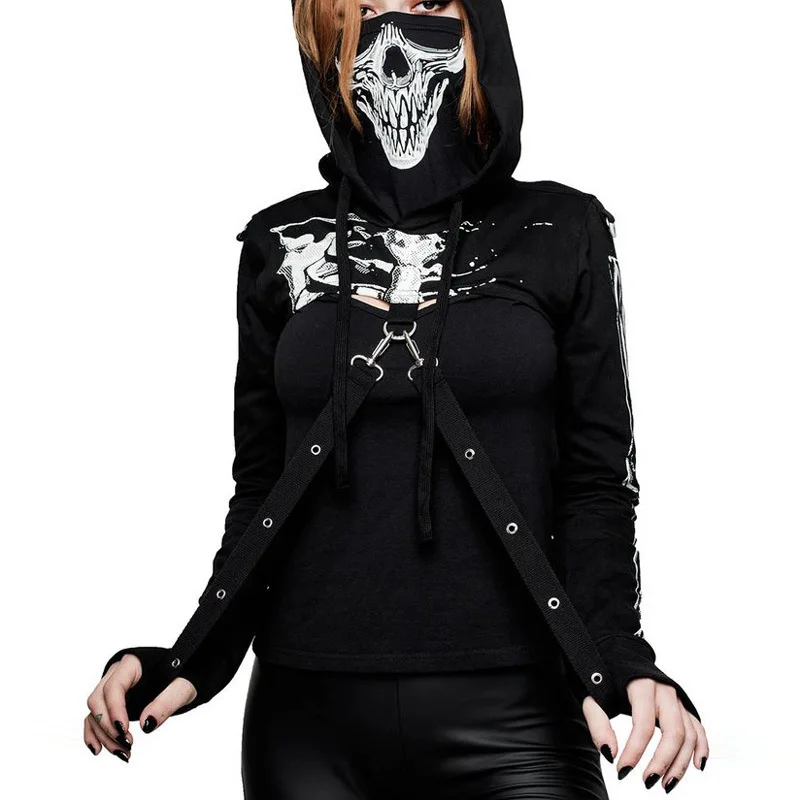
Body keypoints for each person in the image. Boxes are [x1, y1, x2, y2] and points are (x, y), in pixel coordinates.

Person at [83, 1, 710, 797]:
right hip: (307, 720)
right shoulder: (281, 244)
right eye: (367, 10)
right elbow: (265, 489)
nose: (395, 39)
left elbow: (597, 482)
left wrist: (620, 657)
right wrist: (192, 655)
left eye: (427, 6)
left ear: (479, 24)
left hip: (519, 712)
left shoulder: (562, 228)